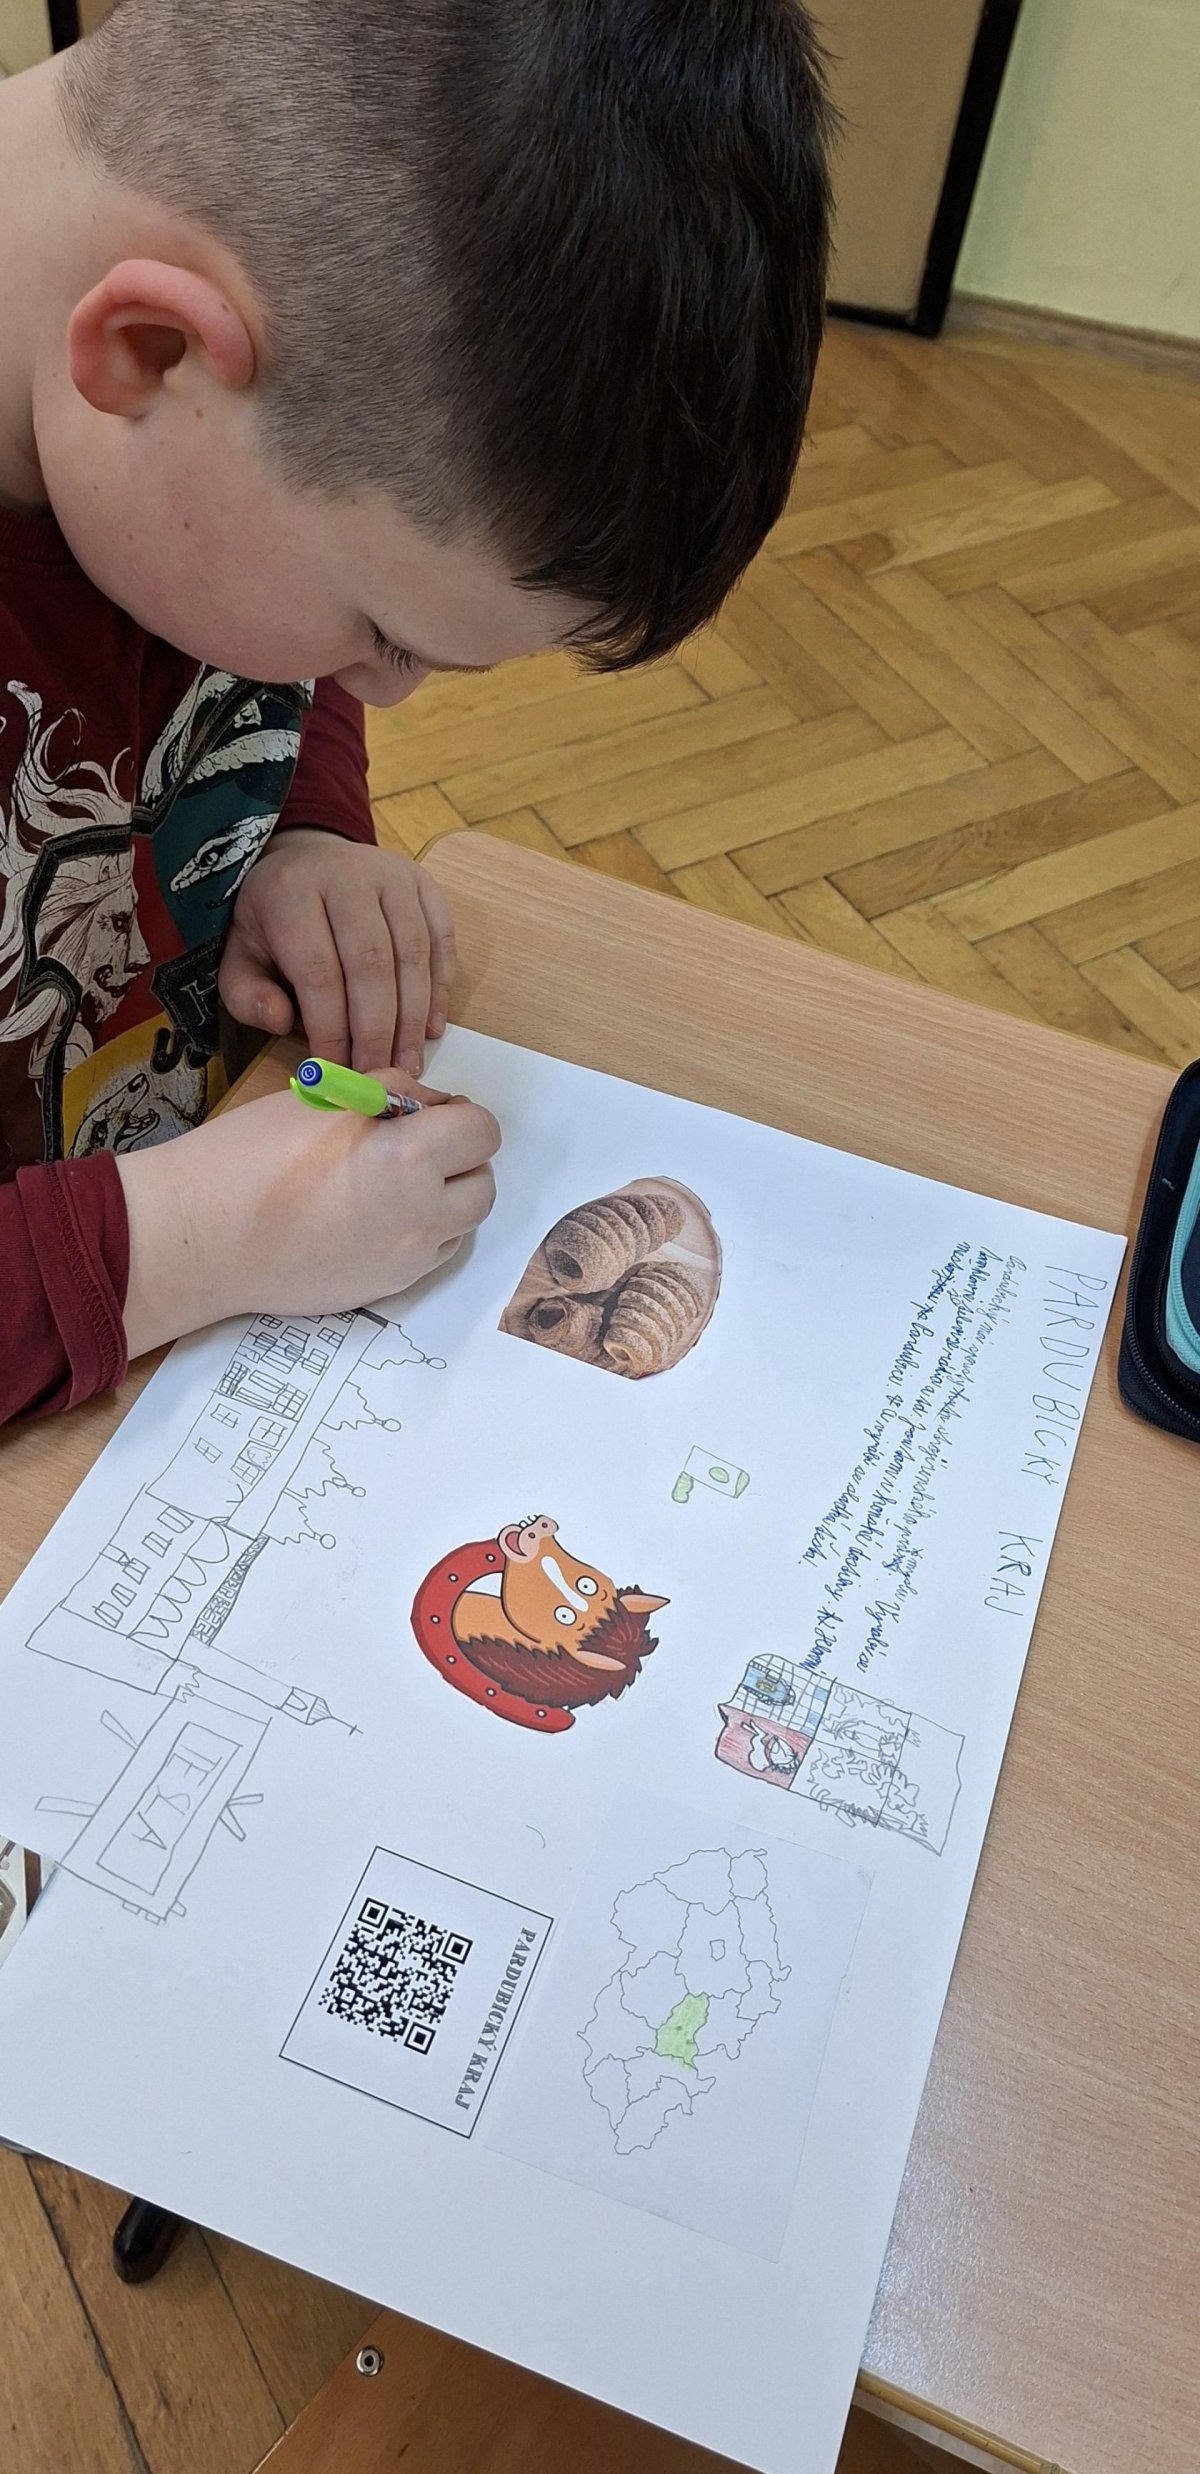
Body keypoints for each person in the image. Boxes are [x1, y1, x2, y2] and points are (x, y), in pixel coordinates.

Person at [0, 0, 833, 1425]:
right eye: (384, 636)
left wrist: (301, 828)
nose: (382, 690)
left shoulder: (178, 428)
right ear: (150, 350)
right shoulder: (189, 471)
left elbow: (254, 623)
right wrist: (179, 1246)